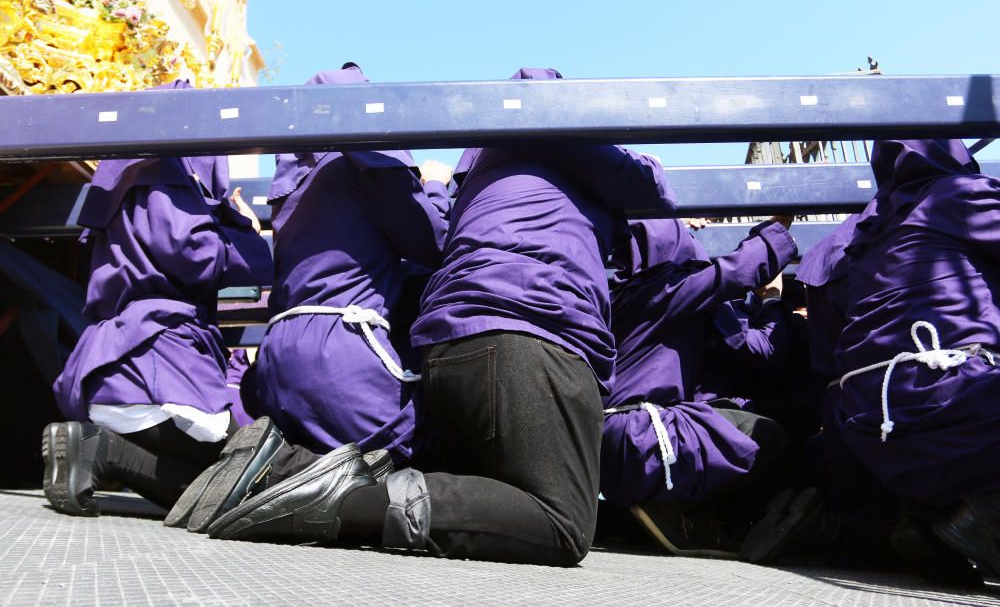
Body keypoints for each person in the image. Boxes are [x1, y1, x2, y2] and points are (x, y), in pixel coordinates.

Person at [205, 67, 676, 567]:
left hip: (440, 340)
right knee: (559, 522)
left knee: (475, 485)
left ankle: (287, 472)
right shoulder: (549, 135)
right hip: (524, 324)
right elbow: (650, 190)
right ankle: (328, 493)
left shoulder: (474, 179)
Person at [166, 63, 454, 533]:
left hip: (278, 355)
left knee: (334, 454)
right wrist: (436, 185)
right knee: (412, 457)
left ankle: (269, 466)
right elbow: (432, 241)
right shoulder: (363, 163)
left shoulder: (291, 187)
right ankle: (269, 474)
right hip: (343, 348)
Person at [43, 79, 273, 518]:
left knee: (218, 489)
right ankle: (101, 450)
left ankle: (100, 452)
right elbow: (196, 253)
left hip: (114, 370)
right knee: (244, 480)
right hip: (156, 369)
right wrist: (246, 232)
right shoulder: (165, 172)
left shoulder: (131, 178)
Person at [828, 139, 1000, 579]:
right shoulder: (959, 195)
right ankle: (985, 515)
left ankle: (927, 517)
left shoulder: (865, 240)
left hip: (870, 433)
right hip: (952, 401)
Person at [601, 216, 797, 557]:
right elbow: (735, 272)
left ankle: (647, 510)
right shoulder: (666, 288)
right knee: (768, 435)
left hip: (600, 445)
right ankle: (674, 509)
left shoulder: (611, 295)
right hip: (642, 439)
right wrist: (778, 229)